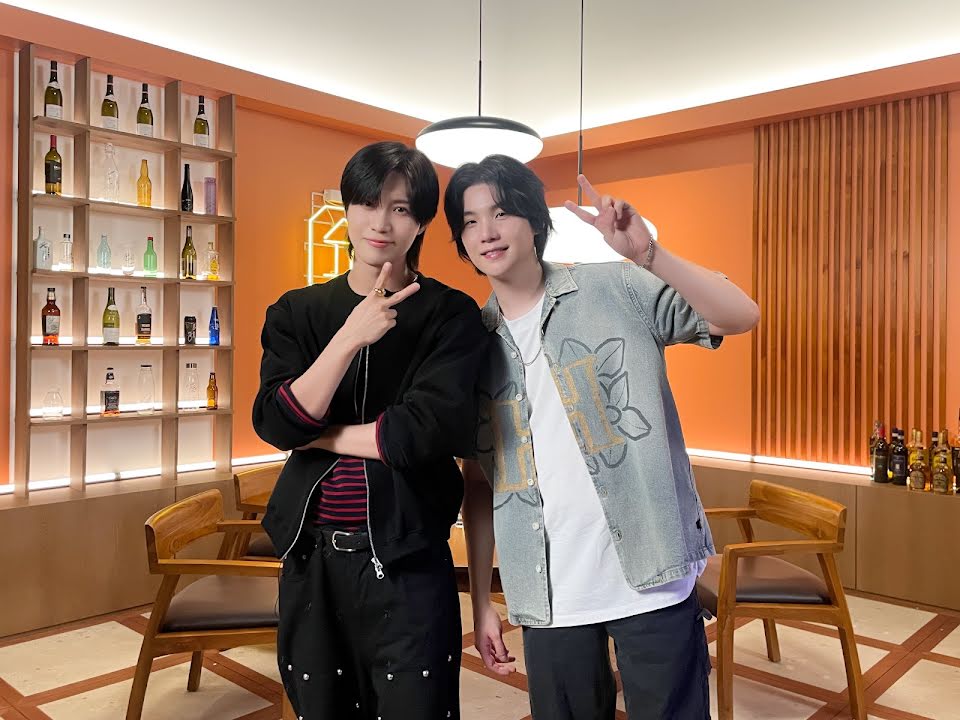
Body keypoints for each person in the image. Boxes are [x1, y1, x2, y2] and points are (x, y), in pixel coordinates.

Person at [447, 155, 760, 719]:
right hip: (548, 592)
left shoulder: (614, 287)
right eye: (469, 221)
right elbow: (480, 482)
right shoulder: (470, 345)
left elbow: (740, 315)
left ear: (534, 220)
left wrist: (648, 254)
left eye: (501, 212)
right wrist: (482, 603)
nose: (487, 231)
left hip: (652, 572)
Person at [253, 141, 487, 719]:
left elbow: (418, 434)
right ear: (346, 209)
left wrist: (316, 433)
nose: (381, 222)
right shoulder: (297, 312)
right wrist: (350, 336)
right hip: (311, 556)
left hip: (409, 556)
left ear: (422, 222)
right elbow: (274, 420)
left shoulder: (451, 315)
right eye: (367, 203)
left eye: (401, 209)